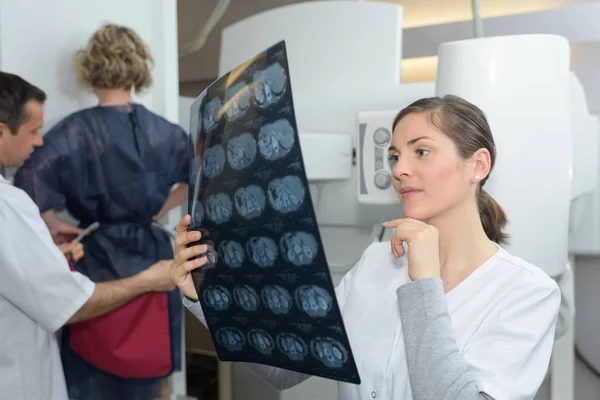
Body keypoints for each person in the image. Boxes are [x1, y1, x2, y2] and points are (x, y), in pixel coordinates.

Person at [171, 95, 561, 399]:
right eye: (394, 156)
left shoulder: (528, 293)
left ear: (478, 165)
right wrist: (205, 296)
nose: (398, 169)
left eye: (420, 151)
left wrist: (424, 284)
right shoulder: (378, 260)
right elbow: (285, 369)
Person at [13, 23, 192, 400]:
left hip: (97, 262)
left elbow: (28, 182)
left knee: (89, 372)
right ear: (138, 66)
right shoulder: (167, 132)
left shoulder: (71, 133)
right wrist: (160, 206)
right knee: (146, 373)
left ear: (90, 68)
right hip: (153, 263)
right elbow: (202, 176)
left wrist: (55, 224)